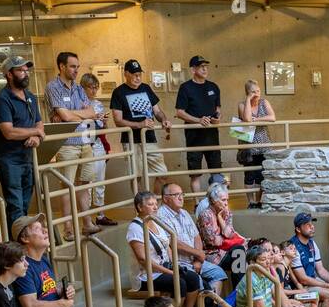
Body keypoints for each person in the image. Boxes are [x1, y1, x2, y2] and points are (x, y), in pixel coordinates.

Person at [45, 51, 101, 240]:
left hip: (85, 141)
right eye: (72, 66)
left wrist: (72, 114)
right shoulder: (53, 87)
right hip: (66, 143)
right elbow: (66, 116)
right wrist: (78, 114)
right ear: (61, 66)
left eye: (77, 66)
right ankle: (68, 228)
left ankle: (86, 223)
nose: (76, 70)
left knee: (84, 183)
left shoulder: (78, 88)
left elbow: (91, 111)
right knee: (67, 186)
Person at [155, 182, 230, 307]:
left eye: (181, 194)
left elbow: (197, 237)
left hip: (195, 259)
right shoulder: (161, 215)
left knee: (218, 273)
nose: (180, 198)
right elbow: (173, 243)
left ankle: (209, 306)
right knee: (197, 281)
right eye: (176, 195)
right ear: (165, 198)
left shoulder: (184, 213)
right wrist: (198, 254)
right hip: (180, 262)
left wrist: (198, 259)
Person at [0, 55, 44, 224]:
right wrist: (34, 132)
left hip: (27, 157)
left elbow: (40, 125)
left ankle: (19, 242)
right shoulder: (2, 99)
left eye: (26, 70)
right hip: (9, 159)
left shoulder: (31, 97)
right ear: (9, 74)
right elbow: (9, 132)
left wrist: (36, 136)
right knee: (15, 205)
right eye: (20, 70)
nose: (25, 73)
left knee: (25, 204)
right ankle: (17, 246)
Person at [10, 213, 80, 307]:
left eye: (43, 227)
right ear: (25, 239)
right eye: (37, 229)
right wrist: (62, 304)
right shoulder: (23, 268)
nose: (45, 230)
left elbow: (48, 289)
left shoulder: (43, 259)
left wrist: (63, 291)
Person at [109, 59, 173, 190]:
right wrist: (140, 124)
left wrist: (164, 120)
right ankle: (140, 208)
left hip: (149, 139)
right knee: (136, 176)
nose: (138, 78)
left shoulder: (146, 88)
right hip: (131, 140)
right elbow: (118, 121)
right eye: (134, 75)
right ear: (126, 73)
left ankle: (155, 204)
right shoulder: (118, 92)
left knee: (162, 173)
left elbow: (157, 111)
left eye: (139, 74)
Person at [175, 55, 223, 196]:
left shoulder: (213, 86)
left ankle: (218, 200)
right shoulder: (186, 88)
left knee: (216, 171)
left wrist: (217, 118)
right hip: (194, 137)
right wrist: (198, 120)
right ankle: (197, 203)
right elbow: (179, 112)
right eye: (201, 66)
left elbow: (218, 109)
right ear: (193, 69)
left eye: (206, 66)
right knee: (195, 174)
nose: (204, 69)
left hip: (212, 136)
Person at [125, 190, 183, 306]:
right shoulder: (134, 228)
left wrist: (174, 265)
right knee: (180, 282)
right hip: (146, 276)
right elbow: (143, 260)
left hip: (163, 268)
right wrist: (170, 272)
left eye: (156, 204)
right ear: (140, 207)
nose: (155, 207)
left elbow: (167, 247)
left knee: (192, 277)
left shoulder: (156, 222)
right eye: (151, 204)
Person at [80, 72, 117, 226]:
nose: (94, 91)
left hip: (98, 143)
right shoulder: (78, 103)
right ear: (83, 88)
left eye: (96, 88)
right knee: (87, 183)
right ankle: (87, 216)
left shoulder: (99, 104)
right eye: (91, 88)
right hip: (85, 143)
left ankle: (100, 214)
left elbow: (103, 128)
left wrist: (105, 121)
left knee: (100, 181)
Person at [197, 181, 247, 287]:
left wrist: (220, 218)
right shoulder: (205, 215)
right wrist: (223, 237)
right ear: (214, 201)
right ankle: (238, 292)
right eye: (223, 200)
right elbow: (213, 241)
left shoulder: (226, 213)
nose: (226, 203)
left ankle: (241, 292)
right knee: (239, 251)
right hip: (213, 255)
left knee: (249, 253)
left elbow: (229, 234)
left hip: (226, 251)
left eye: (227, 200)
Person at [234, 79, 274, 208]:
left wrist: (257, 119)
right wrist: (248, 100)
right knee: (250, 175)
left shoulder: (264, 102)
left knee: (262, 175)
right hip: (248, 146)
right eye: (253, 92)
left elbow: (272, 117)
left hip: (264, 144)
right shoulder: (242, 105)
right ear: (247, 93)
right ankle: (251, 202)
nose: (257, 94)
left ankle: (259, 201)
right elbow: (246, 119)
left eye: (258, 91)